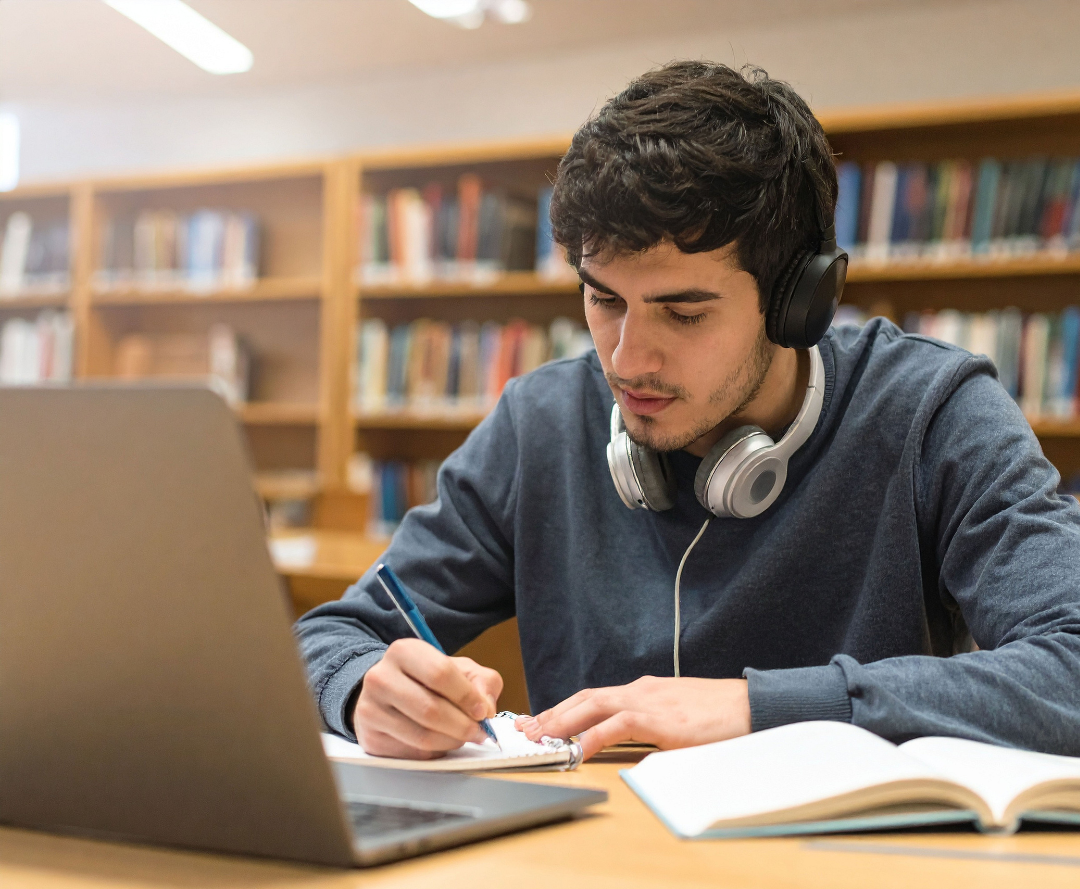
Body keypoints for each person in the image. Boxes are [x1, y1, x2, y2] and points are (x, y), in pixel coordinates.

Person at [296, 61, 1080, 762]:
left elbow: (1070, 662)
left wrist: (762, 706)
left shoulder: (932, 412)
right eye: (604, 300)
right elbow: (326, 636)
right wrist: (366, 686)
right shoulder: (541, 421)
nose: (627, 358)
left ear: (797, 302)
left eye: (684, 311)